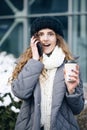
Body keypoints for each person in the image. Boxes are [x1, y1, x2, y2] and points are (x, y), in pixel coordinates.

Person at [11, 16, 84, 130]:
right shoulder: (28, 64)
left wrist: (71, 91)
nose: (45, 39)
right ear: (35, 39)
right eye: (41, 34)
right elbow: (20, 92)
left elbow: (77, 109)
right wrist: (35, 60)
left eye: (50, 34)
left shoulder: (69, 65)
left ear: (57, 38)